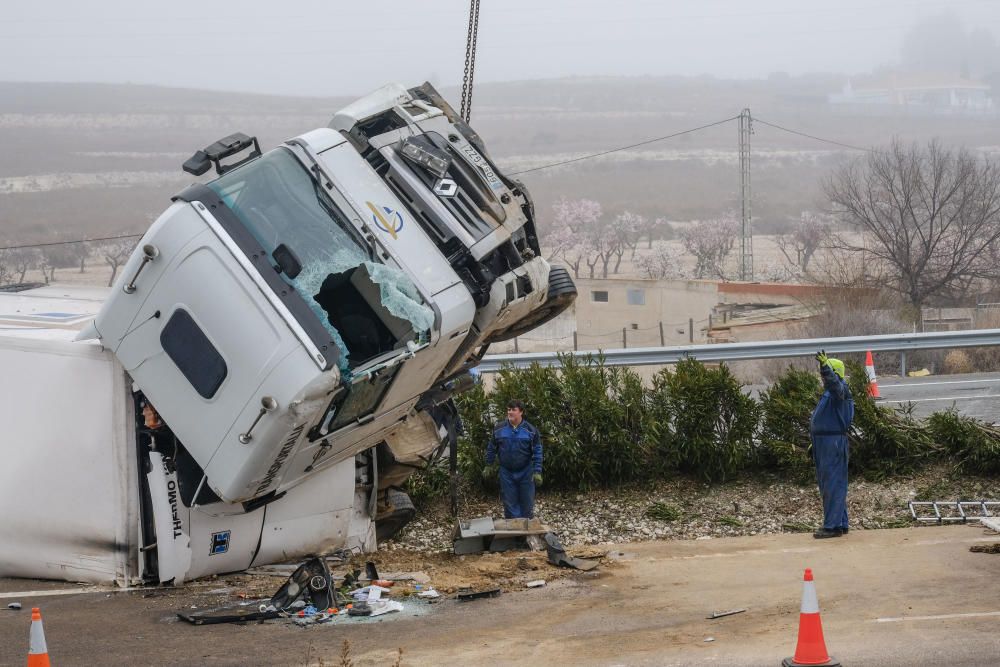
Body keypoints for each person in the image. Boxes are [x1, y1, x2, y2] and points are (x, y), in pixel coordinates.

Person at [810, 350, 855, 539]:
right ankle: (840, 523)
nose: (823, 378)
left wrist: (825, 367)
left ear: (834, 373)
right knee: (833, 483)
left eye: (826, 374)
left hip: (832, 443)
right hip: (825, 443)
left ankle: (832, 526)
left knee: (833, 484)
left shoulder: (839, 390)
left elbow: (834, 384)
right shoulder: (832, 393)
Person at [483, 400, 543, 519]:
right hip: (506, 472)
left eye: (513, 410)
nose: (510, 412)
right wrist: (488, 465)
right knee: (509, 502)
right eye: (508, 409)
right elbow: (492, 447)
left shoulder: (531, 430)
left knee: (527, 501)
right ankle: (513, 531)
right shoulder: (499, 429)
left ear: (521, 412)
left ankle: (526, 530)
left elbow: (537, 451)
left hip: (526, 471)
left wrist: (537, 471)